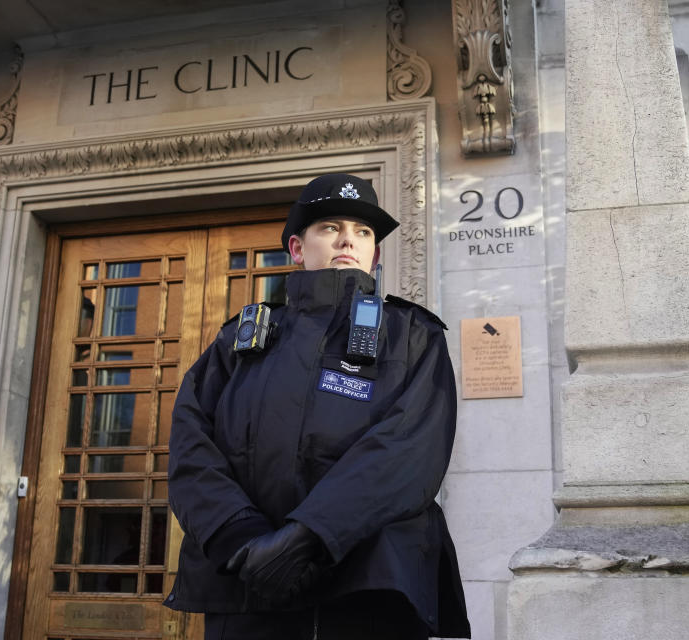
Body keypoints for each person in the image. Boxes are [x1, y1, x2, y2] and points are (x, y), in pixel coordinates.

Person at [165, 174, 470, 640]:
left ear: (376, 254)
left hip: (368, 588)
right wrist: (240, 538)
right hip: (248, 586)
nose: (349, 238)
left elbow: (409, 450)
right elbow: (191, 443)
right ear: (297, 248)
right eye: (330, 226)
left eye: (363, 232)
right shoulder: (237, 341)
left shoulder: (412, 336)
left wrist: (308, 538)